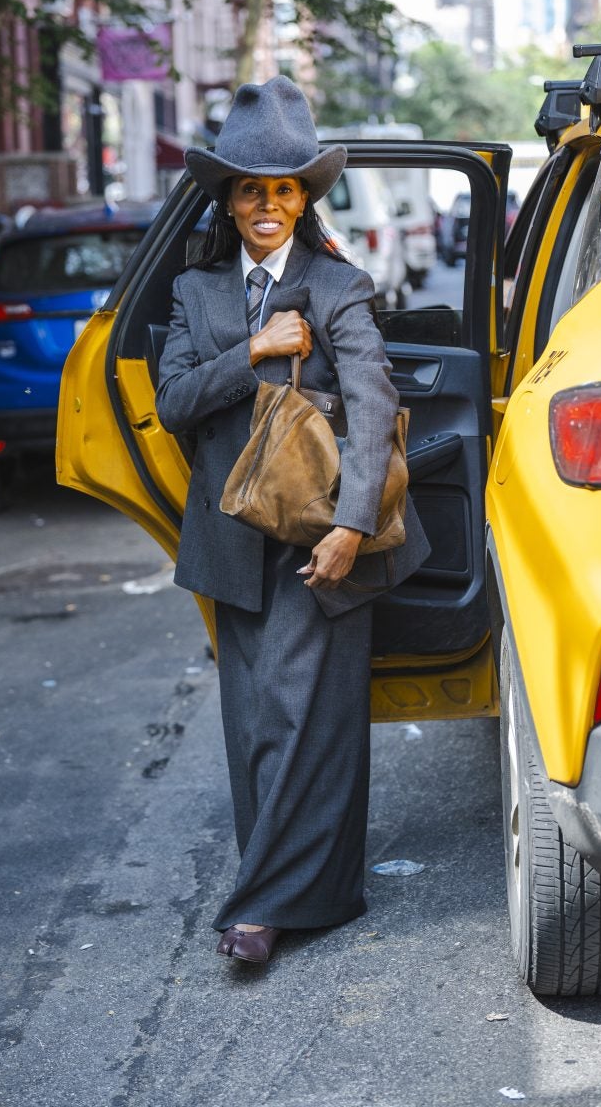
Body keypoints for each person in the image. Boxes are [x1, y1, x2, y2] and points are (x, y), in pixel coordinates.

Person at [156, 76, 429, 965]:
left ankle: (261, 912)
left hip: (324, 537)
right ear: (228, 200)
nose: (267, 204)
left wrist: (353, 525)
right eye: (250, 188)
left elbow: (373, 400)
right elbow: (174, 404)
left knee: (312, 715)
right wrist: (256, 349)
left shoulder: (337, 285)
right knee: (255, 721)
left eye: (284, 188)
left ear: (305, 196)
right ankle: (303, 893)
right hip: (232, 540)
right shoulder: (194, 293)